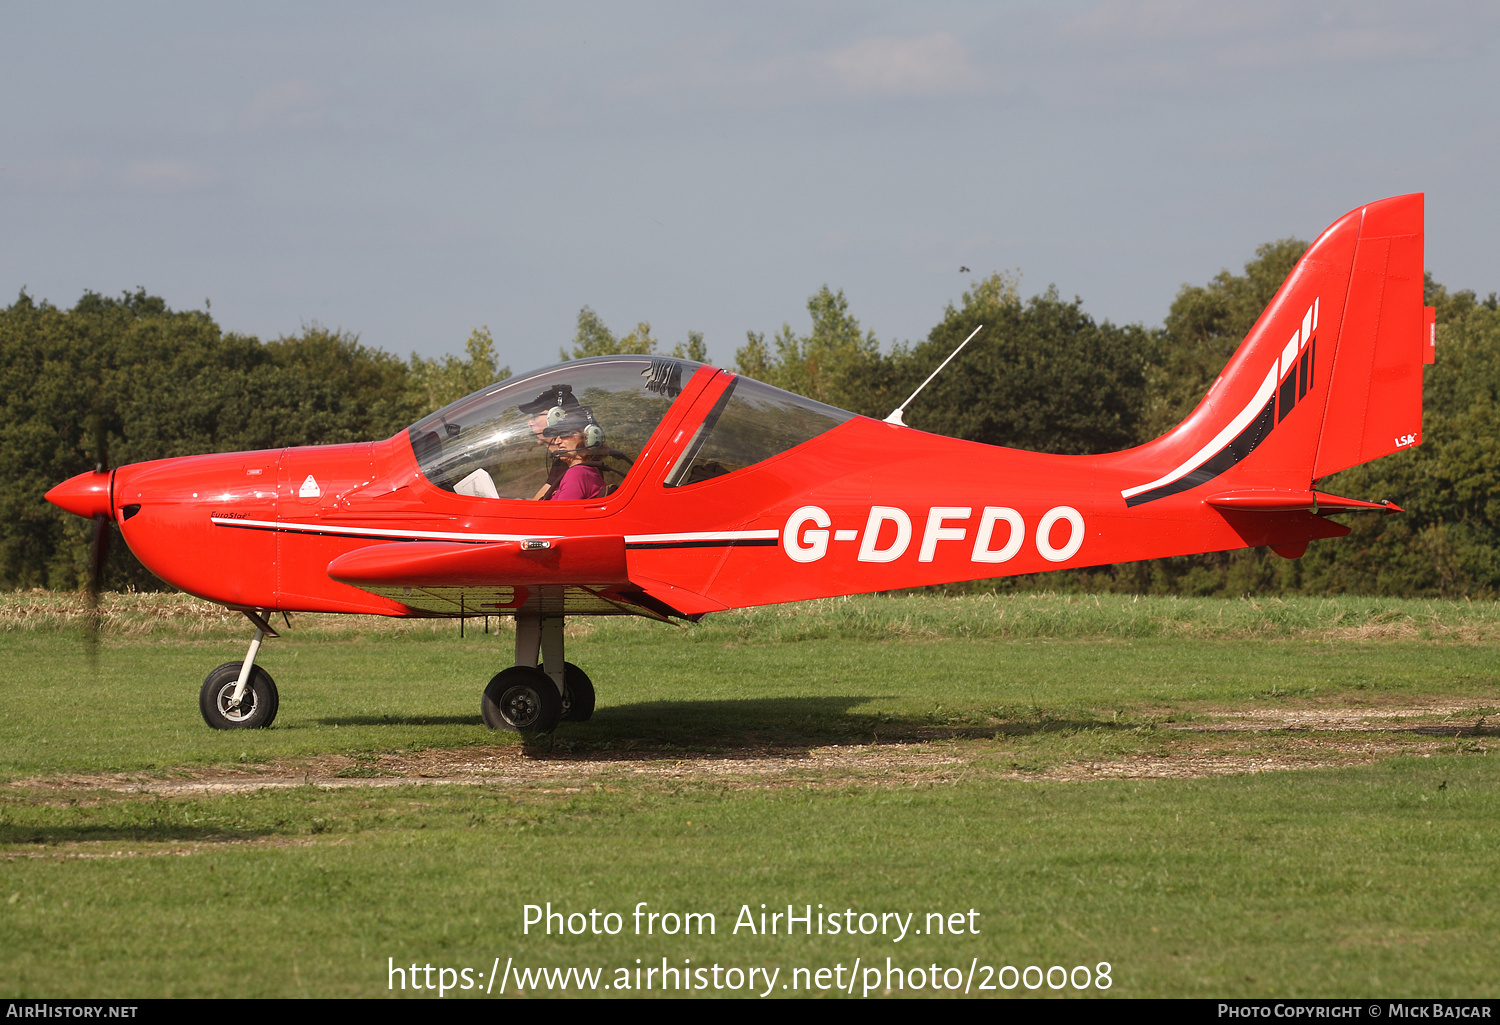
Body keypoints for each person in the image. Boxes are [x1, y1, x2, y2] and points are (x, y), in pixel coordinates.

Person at [542, 408, 606, 500]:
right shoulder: (589, 472)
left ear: (589, 437)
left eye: (565, 434)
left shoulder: (576, 474)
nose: (557, 442)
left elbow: (559, 513)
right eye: (556, 436)